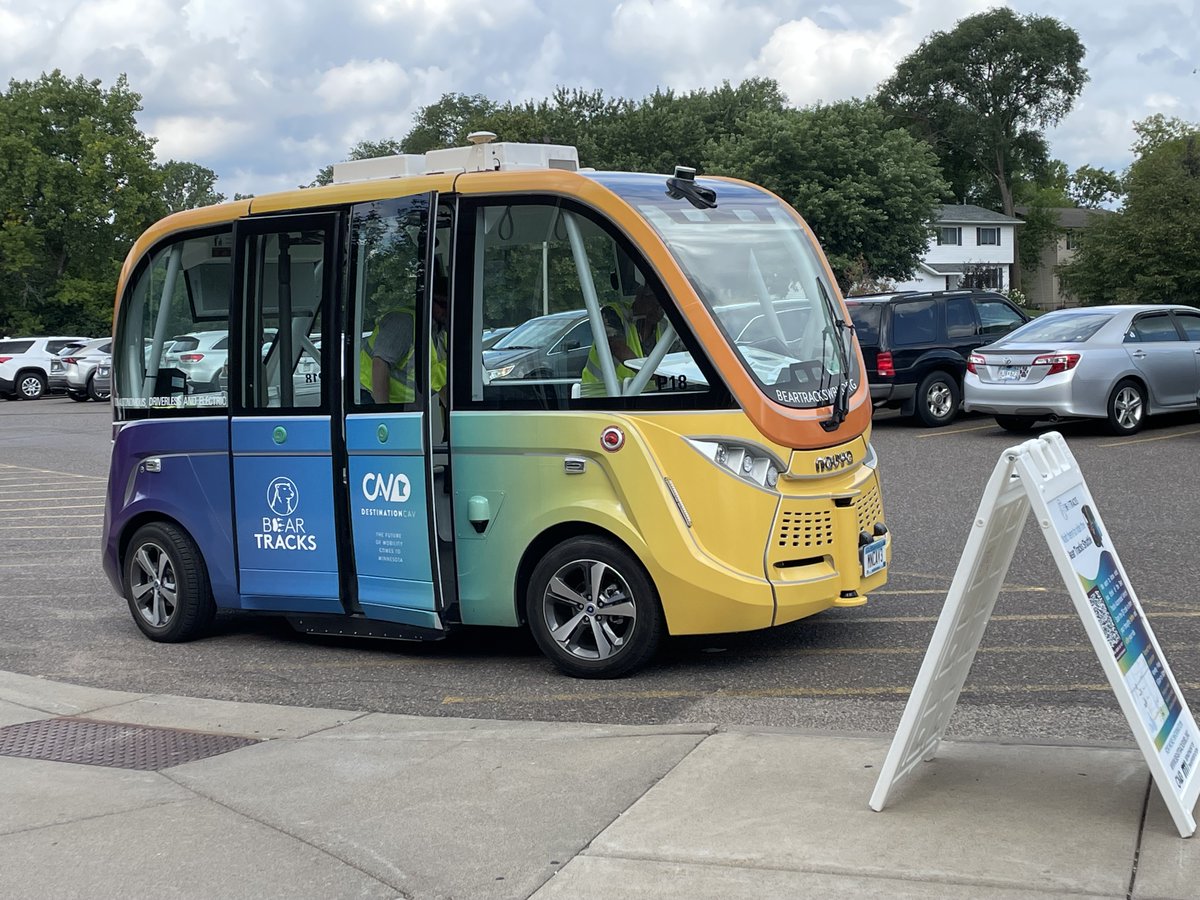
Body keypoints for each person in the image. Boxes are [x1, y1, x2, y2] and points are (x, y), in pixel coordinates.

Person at [360, 272, 449, 405]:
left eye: (451, 305)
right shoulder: (404, 322)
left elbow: (438, 381)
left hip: (404, 404)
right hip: (370, 397)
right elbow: (380, 364)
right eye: (442, 304)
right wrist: (384, 413)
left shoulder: (438, 330)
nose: (447, 310)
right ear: (429, 300)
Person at [580, 282, 666, 396]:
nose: (659, 310)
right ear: (642, 297)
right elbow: (618, 348)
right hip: (599, 396)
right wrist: (655, 375)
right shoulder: (612, 313)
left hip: (636, 394)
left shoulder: (662, 326)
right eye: (656, 304)